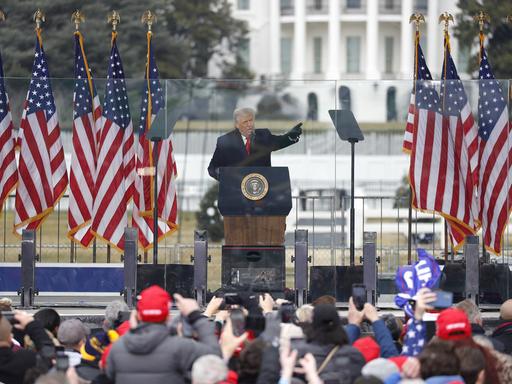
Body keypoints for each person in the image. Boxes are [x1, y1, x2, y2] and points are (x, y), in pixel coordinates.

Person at [106, 285, 221, 384]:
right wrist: (196, 316)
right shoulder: (180, 347)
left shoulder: (116, 348)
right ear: (167, 317)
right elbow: (215, 359)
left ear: (137, 315)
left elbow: (109, 375)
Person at [207, 107, 303, 180]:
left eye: (251, 120)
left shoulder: (263, 135)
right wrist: (223, 174)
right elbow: (212, 168)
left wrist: (291, 136)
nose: (250, 125)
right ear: (237, 125)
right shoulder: (225, 141)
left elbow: (279, 142)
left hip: (261, 190)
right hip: (236, 192)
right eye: (245, 122)